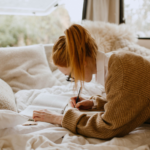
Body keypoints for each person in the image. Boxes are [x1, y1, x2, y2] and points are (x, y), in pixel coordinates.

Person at [33, 24, 150, 140]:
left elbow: (107, 127)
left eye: (70, 75)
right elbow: (130, 100)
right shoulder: (115, 63)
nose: (74, 79)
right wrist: (95, 103)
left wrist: (59, 118)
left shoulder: (121, 72)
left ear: (82, 63)